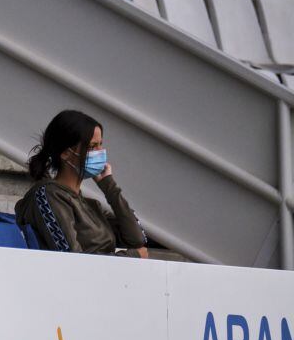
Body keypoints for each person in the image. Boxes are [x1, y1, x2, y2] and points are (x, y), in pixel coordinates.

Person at [15, 110, 185, 260]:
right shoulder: (48, 195)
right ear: (66, 154)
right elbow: (70, 258)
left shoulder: (90, 205)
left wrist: (109, 187)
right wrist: (131, 257)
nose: (100, 152)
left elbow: (137, 239)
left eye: (100, 144)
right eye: (92, 146)